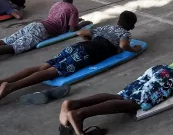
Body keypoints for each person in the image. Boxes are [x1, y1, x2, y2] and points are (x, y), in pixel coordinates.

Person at [57, 28, 173, 135]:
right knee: (132, 104)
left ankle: (74, 104)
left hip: (159, 70)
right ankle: (80, 114)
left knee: (121, 96)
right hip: (168, 78)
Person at [0, 11, 141, 102]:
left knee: (42, 67)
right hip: (87, 54)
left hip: (78, 47)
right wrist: (133, 49)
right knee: (50, 73)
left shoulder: (107, 27)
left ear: (117, 21)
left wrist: (89, 40)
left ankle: (5, 81)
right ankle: (11, 87)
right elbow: (123, 45)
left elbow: (81, 33)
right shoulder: (125, 34)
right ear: (132, 27)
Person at [0, 0, 88, 57]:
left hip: (36, 25)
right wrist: (82, 24)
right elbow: (73, 29)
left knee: (7, 40)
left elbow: (55, 18)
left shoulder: (56, 4)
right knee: (14, 47)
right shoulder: (73, 9)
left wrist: (75, 20)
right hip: (42, 31)